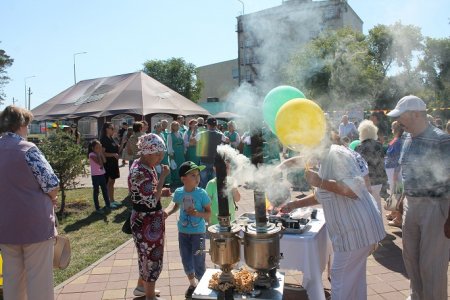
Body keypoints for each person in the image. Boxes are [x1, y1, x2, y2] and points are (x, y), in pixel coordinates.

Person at [278, 133, 385, 300]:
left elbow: (351, 190)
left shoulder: (336, 155)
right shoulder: (328, 157)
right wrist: (293, 205)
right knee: (354, 281)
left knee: (340, 278)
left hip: (355, 232)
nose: (306, 155)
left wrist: (319, 181)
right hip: (358, 230)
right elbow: (323, 195)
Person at [387, 95, 450, 300]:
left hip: (435, 207)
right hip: (410, 206)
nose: (397, 122)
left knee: (431, 266)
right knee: (411, 260)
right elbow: (407, 173)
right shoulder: (406, 138)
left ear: (416, 114)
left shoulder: (441, 139)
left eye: (401, 116)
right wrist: (400, 200)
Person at [0, 105, 60, 300]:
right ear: (22, 125)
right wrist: (53, 198)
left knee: (12, 280)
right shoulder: (27, 149)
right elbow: (51, 184)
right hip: (35, 226)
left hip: (5, 226)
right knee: (39, 281)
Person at [128, 133, 170, 300]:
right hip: (146, 222)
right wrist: (163, 178)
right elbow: (151, 202)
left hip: (147, 219)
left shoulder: (144, 165)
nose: (160, 158)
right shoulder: (139, 171)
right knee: (151, 258)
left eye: (162, 154)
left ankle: (141, 288)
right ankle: (150, 297)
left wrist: (161, 191)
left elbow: (149, 193)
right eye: (157, 154)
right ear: (146, 152)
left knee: (145, 257)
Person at [165, 161, 211, 299]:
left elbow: (209, 213)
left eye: (198, 174)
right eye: (193, 175)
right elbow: (175, 206)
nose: (198, 178)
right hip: (183, 233)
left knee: (199, 260)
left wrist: (197, 214)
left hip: (198, 233)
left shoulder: (202, 193)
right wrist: (168, 212)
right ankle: (193, 285)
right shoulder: (179, 192)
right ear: (183, 178)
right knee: (186, 259)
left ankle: (203, 287)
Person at [355, 120, 388, 214]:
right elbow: (382, 164)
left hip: (366, 182)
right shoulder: (379, 146)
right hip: (378, 181)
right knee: (378, 207)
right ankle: (380, 228)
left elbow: (358, 167)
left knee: (367, 209)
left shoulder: (358, 147)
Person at [196, 117, 229, 188]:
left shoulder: (201, 133)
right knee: (214, 182)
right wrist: (218, 131)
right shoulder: (220, 135)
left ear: (207, 124)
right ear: (216, 125)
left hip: (204, 160)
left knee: (203, 182)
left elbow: (192, 141)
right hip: (215, 162)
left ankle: (204, 197)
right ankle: (213, 197)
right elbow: (227, 140)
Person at [206, 160, 241, 225]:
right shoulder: (211, 184)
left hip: (231, 220)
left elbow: (237, 199)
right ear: (215, 169)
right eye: (221, 168)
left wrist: (233, 186)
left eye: (227, 168)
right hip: (215, 222)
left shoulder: (232, 182)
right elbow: (207, 204)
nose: (224, 170)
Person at [384, 121, 404, 226]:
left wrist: (396, 172)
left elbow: (399, 159)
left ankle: (398, 218)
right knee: (395, 191)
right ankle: (394, 212)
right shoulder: (397, 140)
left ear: (395, 129)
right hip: (393, 171)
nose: (391, 129)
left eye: (392, 128)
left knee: (397, 192)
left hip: (395, 171)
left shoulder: (398, 141)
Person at [87, 139, 114, 212]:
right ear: (93, 148)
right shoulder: (91, 155)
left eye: (100, 147)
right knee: (96, 191)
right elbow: (100, 163)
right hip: (95, 176)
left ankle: (108, 205)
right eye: (97, 147)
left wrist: (101, 153)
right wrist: (99, 154)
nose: (99, 149)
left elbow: (104, 161)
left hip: (102, 174)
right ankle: (97, 208)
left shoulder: (99, 153)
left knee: (104, 190)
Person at [100, 122, 121, 206]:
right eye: (112, 128)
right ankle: (108, 202)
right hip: (108, 163)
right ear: (107, 129)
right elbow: (102, 153)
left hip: (114, 163)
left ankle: (112, 200)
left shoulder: (112, 138)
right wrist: (113, 154)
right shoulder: (104, 139)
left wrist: (122, 143)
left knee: (112, 182)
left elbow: (117, 150)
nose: (114, 130)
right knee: (109, 182)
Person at [167, 121, 185, 187]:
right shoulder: (170, 135)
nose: (177, 127)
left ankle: (181, 180)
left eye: (177, 125)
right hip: (175, 152)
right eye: (175, 125)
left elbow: (183, 143)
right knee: (175, 166)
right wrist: (171, 154)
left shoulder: (180, 133)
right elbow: (169, 145)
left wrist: (184, 150)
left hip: (181, 152)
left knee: (181, 165)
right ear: (172, 127)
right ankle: (175, 180)